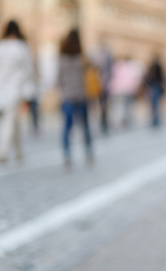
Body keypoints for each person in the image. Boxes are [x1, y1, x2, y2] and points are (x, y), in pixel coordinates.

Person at [0, 20, 35, 163]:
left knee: (11, 119)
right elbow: (28, 71)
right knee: (11, 121)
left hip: (3, 88)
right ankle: (3, 151)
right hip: (15, 88)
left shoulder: (0, 47)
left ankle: (17, 151)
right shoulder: (22, 47)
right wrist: (28, 92)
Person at [58, 28, 93, 167]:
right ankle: (89, 153)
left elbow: (59, 79)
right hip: (81, 96)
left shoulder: (62, 59)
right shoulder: (83, 59)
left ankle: (67, 155)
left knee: (67, 128)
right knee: (85, 127)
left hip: (67, 96)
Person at [108, 55, 143, 128]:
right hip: (127, 90)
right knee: (127, 106)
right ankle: (125, 120)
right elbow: (134, 79)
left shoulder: (116, 66)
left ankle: (117, 121)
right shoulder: (131, 67)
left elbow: (112, 78)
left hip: (116, 90)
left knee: (116, 106)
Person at [144, 55, 166, 127]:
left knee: (153, 104)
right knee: (156, 104)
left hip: (152, 87)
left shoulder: (152, 67)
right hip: (156, 86)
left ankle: (154, 119)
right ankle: (156, 119)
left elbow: (147, 78)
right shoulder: (157, 67)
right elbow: (162, 77)